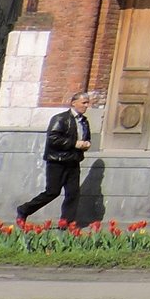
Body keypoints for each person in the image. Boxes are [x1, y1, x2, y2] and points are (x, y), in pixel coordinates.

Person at [17, 92, 97, 224]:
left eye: (87, 103)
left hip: (74, 161)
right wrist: (74, 143)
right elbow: (53, 138)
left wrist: (86, 144)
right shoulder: (61, 118)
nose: (86, 106)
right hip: (57, 161)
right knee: (52, 192)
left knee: (73, 193)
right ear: (74, 103)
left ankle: (66, 223)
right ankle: (24, 210)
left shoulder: (84, 121)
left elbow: (85, 137)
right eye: (84, 103)